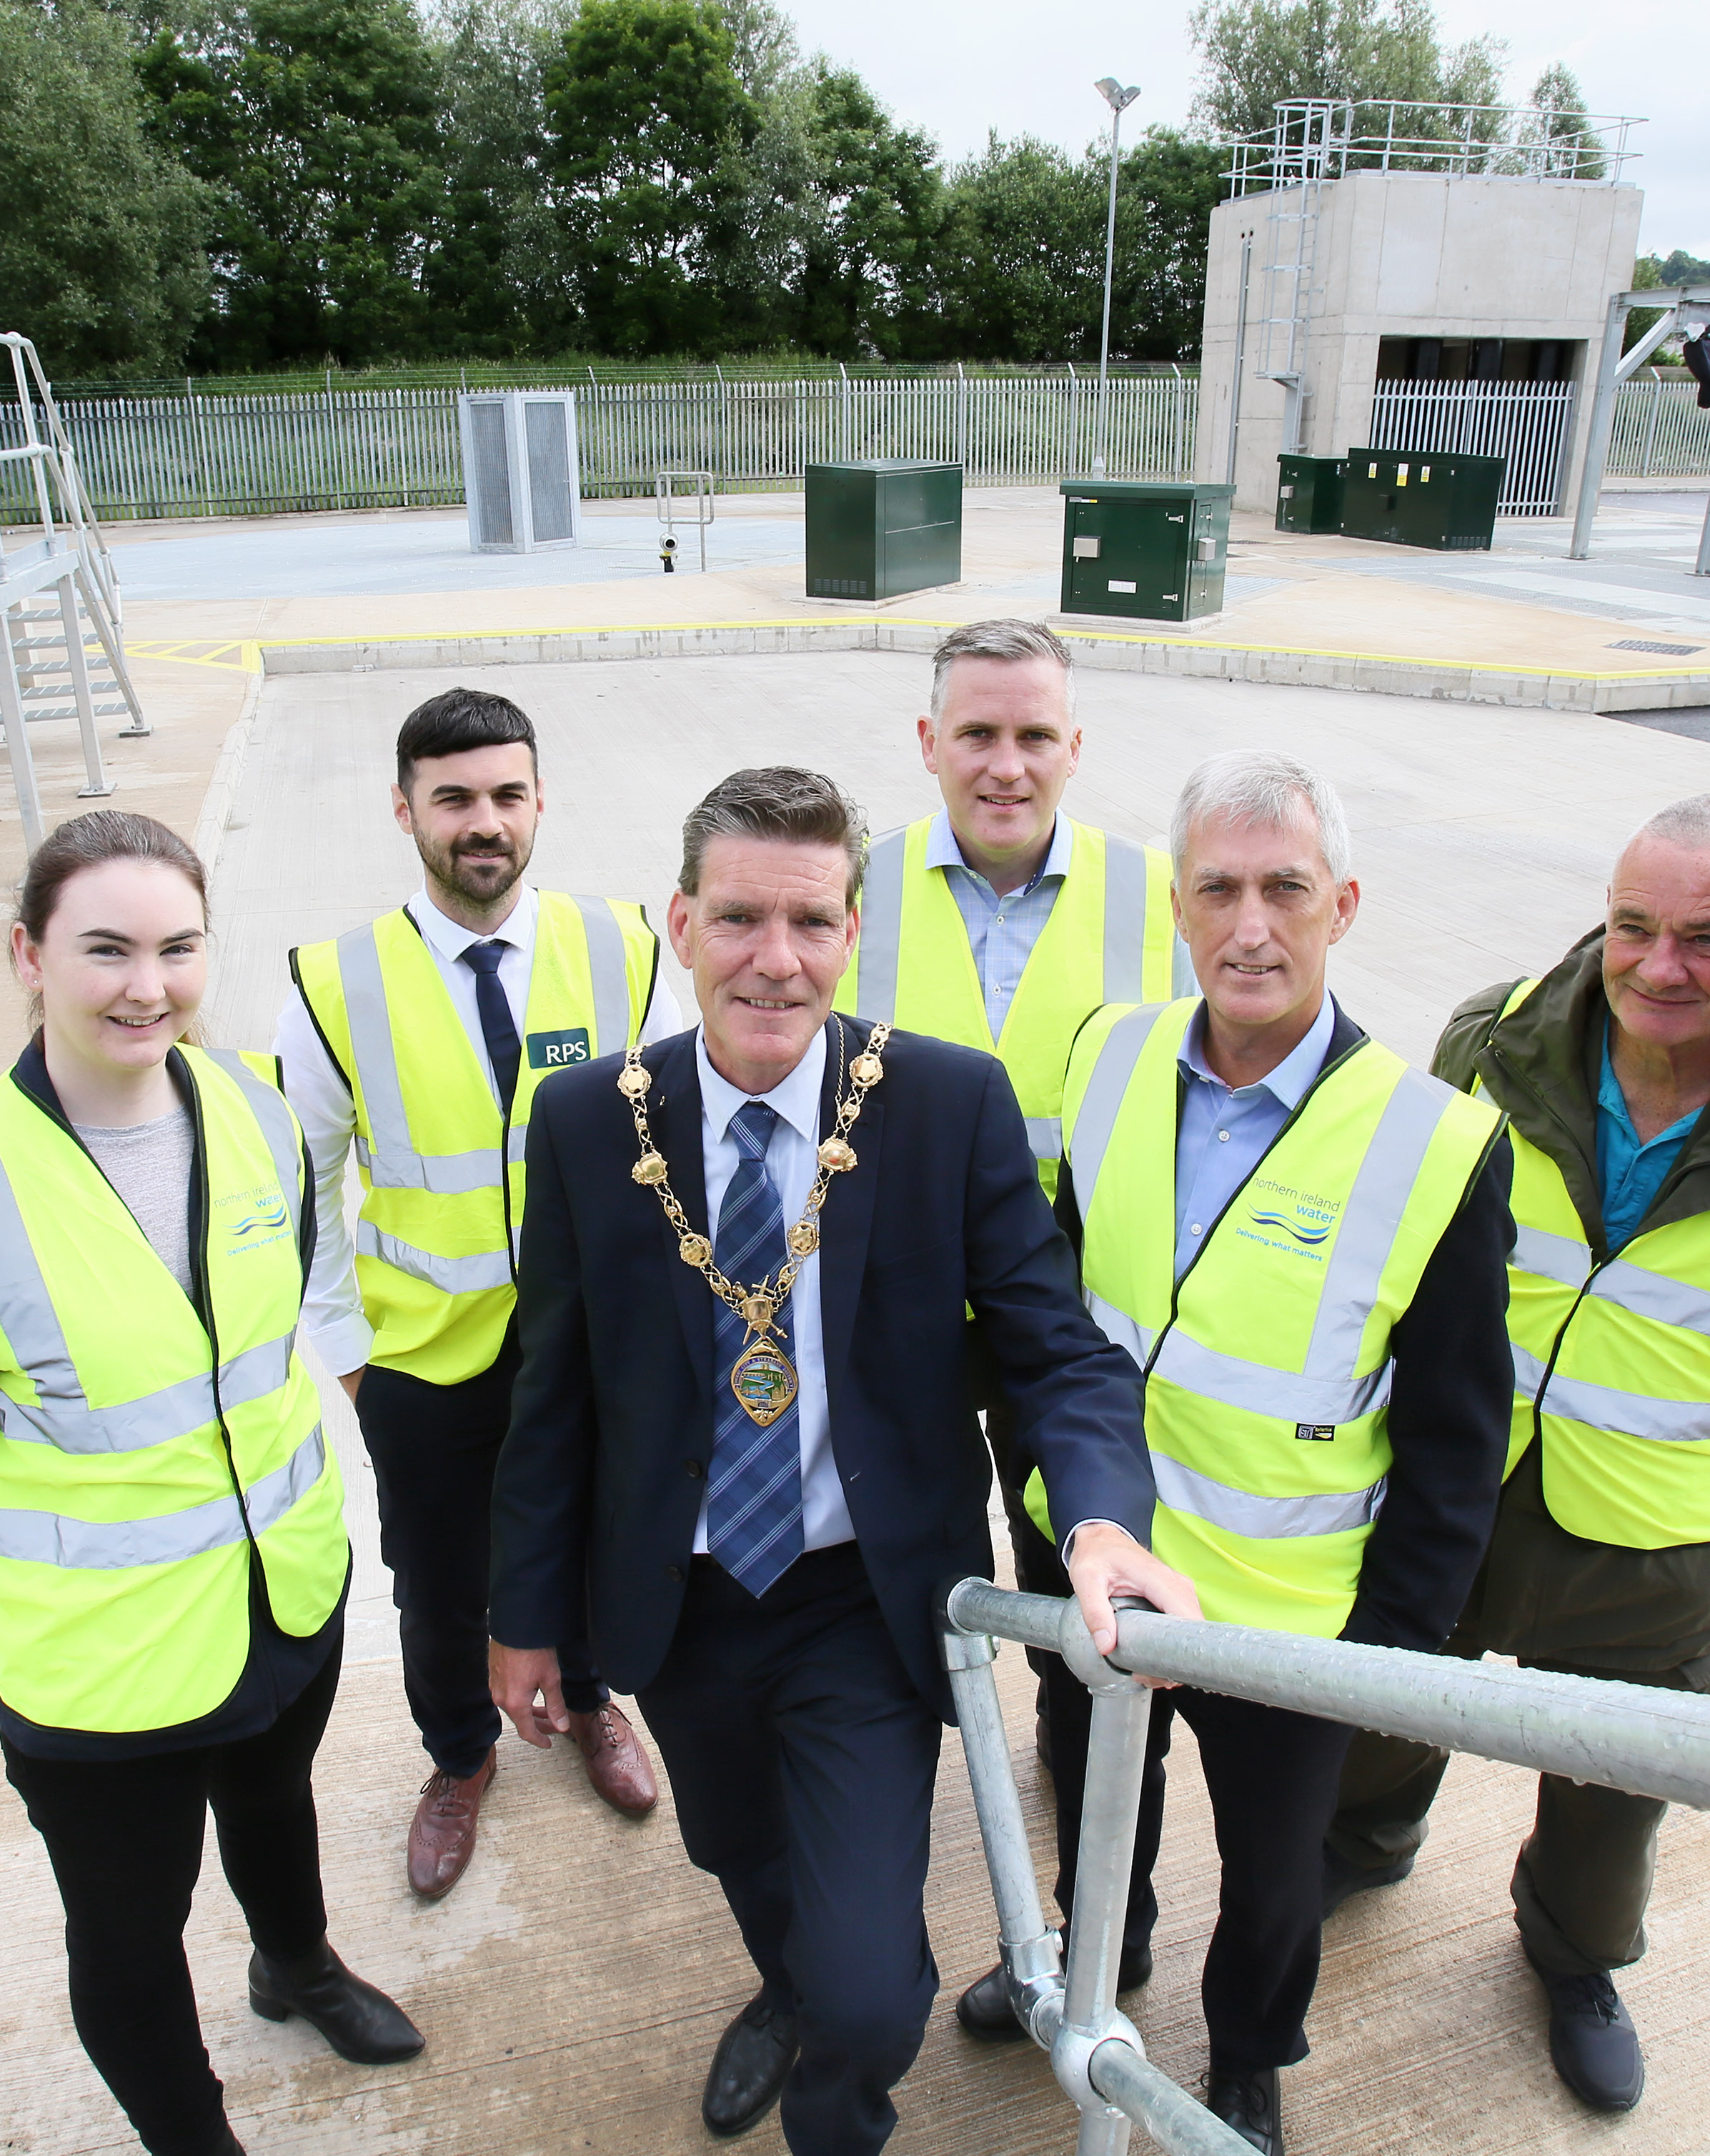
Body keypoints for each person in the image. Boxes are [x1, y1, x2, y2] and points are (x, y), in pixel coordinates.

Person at [486, 765, 1201, 2156]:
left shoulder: (943, 1105)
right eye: (739, 919)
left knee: (873, 1997)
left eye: (811, 924)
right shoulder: (587, 1120)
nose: (775, 960)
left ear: (854, 931)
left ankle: (834, 2087)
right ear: (677, 925)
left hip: (854, 1601)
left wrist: (1101, 1518)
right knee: (734, 1854)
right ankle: (778, 1987)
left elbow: (1057, 1348)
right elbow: (551, 1397)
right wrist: (522, 1620)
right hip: (677, 1597)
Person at [1322, 792, 1710, 2116]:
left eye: (1708, 939)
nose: (1658, 967)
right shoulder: (1492, 1041)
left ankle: (1573, 1956)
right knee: (1390, 1692)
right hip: (1455, 1485)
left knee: (1616, 1789)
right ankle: (1366, 1842)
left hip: (1659, 1535)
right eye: (1633, 927)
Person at [949, 750, 1518, 2156]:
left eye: (1285, 889)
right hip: (1099, 1564)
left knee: (1273, 1881)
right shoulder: (1115, 1050)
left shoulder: (1434, 1143)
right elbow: (1062, 1287)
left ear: (1344, 907)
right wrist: (1038, 1480)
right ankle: (1106, 1954)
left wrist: (1388, 1644)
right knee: (1095, 1796)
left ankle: (1250, 2051)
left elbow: (1457, 1436)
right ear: (1177, 906)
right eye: (1217, 889)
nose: (1249, 925)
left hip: (1287, 1617)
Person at [0, 810, 419, 2156]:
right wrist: (55, 1546)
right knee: (127, 1926)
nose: (146, 985)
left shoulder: (260, 1114)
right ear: (26, 954)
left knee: (277, 1806)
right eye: (104, 948)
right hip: (104, 1655)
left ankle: (297, 1965)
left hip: (286, 1588)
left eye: (176, 947)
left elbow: (270, 1334)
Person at [276, 687, 689, 1900]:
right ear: (404, 809)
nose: (483, 821)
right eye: (452, 797)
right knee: (441, 1579)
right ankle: (459, 1756)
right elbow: (307, 1182)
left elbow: (678, 1133)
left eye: (506, 794)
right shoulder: (333, 980)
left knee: (597, 1538)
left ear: (540, 803)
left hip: (590, 1347)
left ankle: (595, 1698)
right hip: (420, 1361)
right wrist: (350, 1353)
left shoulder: (623, 948)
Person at [837, 616, 1196, 1749]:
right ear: (927, 740)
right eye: (977, 732)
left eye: (1034, 734)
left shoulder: (1157, 895)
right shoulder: (855, 889)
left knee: (1069, 1545)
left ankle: (1065, 1715)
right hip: (899, 1310)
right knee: (897, 1542)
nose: (1006, 764)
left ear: (1075, 745)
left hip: (1068, 1317)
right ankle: (897, 1733)